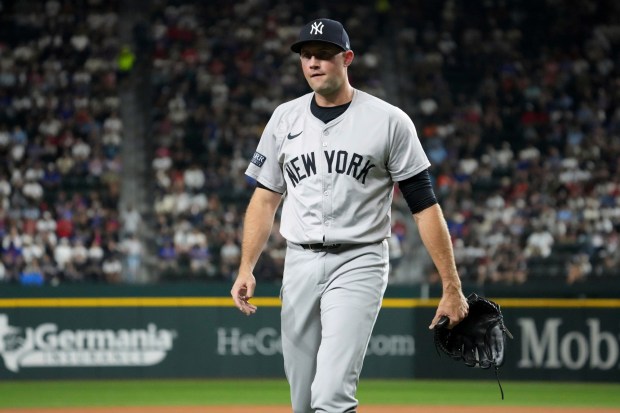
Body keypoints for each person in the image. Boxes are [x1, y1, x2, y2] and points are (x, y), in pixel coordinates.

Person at [231, 18, 469, 413]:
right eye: (307, 55)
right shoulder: (283, 119)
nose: (313, 63)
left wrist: (451, 284)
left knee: (331, 395)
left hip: (360, 260)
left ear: (347, 59)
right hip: (300, 262)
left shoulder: (389, 120)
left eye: (324, 55)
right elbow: (264, 199)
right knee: (303, 401)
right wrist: (246, 266)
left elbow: (424, 205)